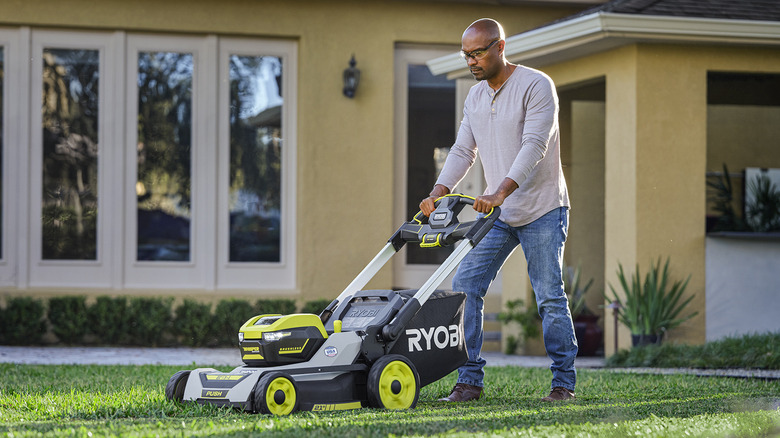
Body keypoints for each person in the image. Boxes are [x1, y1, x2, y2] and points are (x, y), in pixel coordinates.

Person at [420, 18, 577, 402]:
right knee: (466, 284)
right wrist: (439, 192)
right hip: (498, 214)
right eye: (466, 55)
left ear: (500, 47)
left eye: (477, 53)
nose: (471, 61)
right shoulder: (474, 97)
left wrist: (500, 191)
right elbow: (462, 151)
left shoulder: (536, 86)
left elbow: (534, 145)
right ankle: (469, 380)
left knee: (548, 295)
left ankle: (563, 384)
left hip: (542, 208)